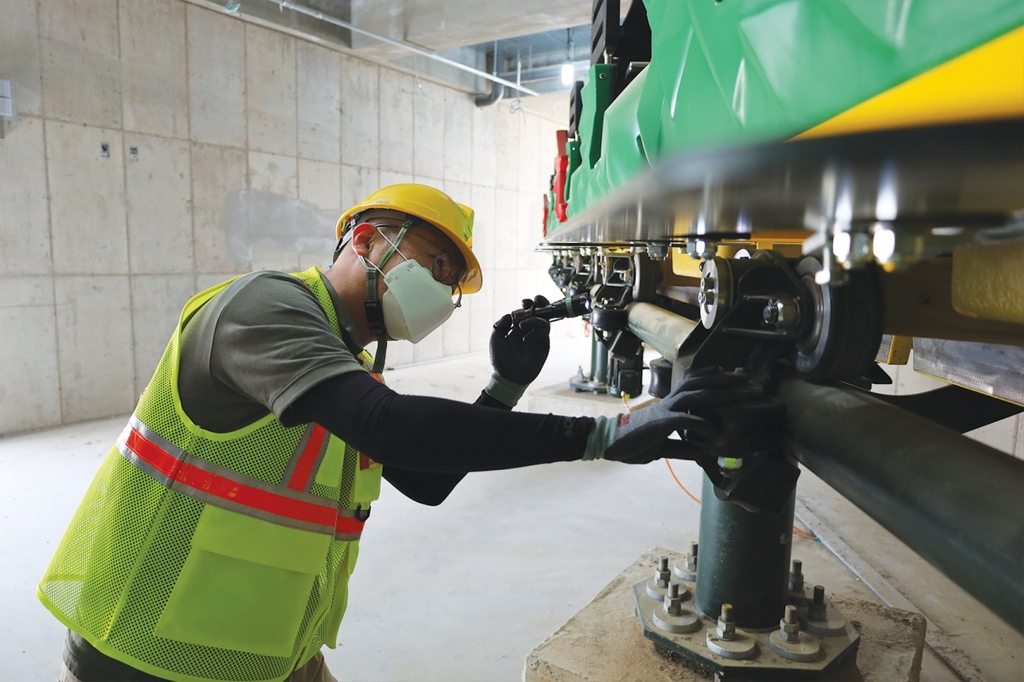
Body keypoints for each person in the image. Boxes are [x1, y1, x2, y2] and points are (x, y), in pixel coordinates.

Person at [39, 184, 765, 682]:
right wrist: (604, 436)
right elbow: (388, 425)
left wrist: (503, 387)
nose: (442, 292)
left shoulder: (340, 365)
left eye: (452, 280)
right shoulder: (264, 308)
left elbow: (424, 478)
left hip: (262, 658)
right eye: (434, 262)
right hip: (146, 655)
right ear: (365, 240)